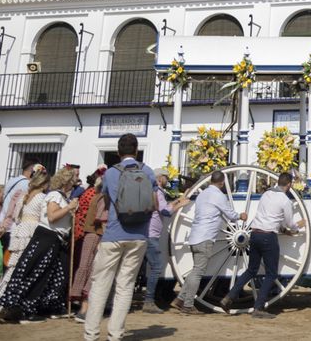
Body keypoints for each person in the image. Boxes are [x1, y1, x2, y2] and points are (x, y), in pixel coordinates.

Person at [83, 134, 156, 341]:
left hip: (114, 233)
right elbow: (154, 200)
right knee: (125, 286)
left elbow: (106, 198)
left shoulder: (111, 173)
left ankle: (91, 334)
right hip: (139, 235)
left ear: (118, 151)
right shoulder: (148, 171)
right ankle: (115, 335)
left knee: (100, 284)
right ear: (136, 150)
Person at [0, 167, 74, 323]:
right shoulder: (54, 195)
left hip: (51, 239)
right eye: (73, 179)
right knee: (35, 273)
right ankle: (24, 310)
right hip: (47, 237)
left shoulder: (54, 196)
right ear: (67, 181)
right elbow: (52, 217)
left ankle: (26, 309)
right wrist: (69, 208)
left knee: (39, 274)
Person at [224, 171, 303, 318]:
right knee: (272, 273)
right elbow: (289, 223)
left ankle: (230, 296)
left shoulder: (266, 194)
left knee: (251, 270)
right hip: (268, 236)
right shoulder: (285, 200)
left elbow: (267, 215)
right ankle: (258, 307)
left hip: (255, 234)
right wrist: (297, 227)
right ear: (289, 185)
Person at [173, 169, 240, 312]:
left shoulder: (202, 194)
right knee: (198, 272)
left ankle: (180, 299)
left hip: (195, 236)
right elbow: (231, 215)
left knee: (195, 270)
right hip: (205, 237)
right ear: (222, 183)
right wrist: (241, 216)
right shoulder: (219, 196)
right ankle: (188, 304)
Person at [68, 172, 106, 316]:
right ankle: (85, 307)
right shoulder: (101, 197)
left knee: (85, 267)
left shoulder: (92, 195)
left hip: (89, 232)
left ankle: (79, 302)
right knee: (91, 268)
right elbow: (101, 218)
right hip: (96, 233)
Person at [143, 171, 178, 309]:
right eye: (165, 176)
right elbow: (165, 211)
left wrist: (176, 201)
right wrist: (180, 205)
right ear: (159, 178)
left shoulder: (155, 191)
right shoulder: (157, 191)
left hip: (149, 233)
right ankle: (149, 300)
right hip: (152, 234)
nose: (167, 179)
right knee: (156, 267)